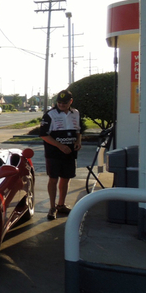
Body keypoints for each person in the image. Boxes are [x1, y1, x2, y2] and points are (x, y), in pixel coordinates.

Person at [40, 89, 83, 220]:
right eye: (59, 102)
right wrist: (60, 146)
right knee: (53, 179)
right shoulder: (50, 115)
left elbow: (78, 130)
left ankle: (61, 205)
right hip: (54, 153)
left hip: (70, 153)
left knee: (66, 178)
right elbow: (43, 134)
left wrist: (78, 141)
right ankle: (52, 207)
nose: (61, 105)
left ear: (71, 101)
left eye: (64, 103)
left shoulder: (75, 113)